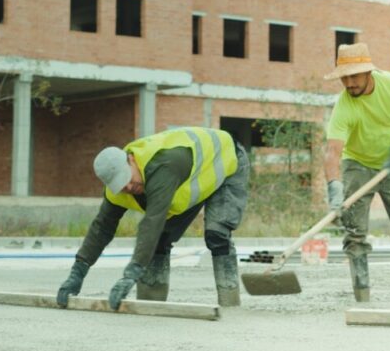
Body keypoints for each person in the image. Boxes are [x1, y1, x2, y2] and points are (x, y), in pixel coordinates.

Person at [56, 127, 249, 309]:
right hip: (192, 177)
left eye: (128, 179)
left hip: (227, 159)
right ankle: (152, 305)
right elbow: (102, 226)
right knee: (160, 238)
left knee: (217, 234)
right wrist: (78, 271)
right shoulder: (119, 189)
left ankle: (230, 304)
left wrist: (131, 273)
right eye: (121, 185)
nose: (128, 188)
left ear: (131, 160)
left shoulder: (164, 166)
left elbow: (152, 221)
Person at [324, 42, 390, 302]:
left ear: (368, 73)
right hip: (357, 164)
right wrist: (334, 186)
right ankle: (362, 299)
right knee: (354, 233)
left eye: (354, 76)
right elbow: (332, 150)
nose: (349, 83)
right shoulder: (344, 105)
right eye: (344, 78)